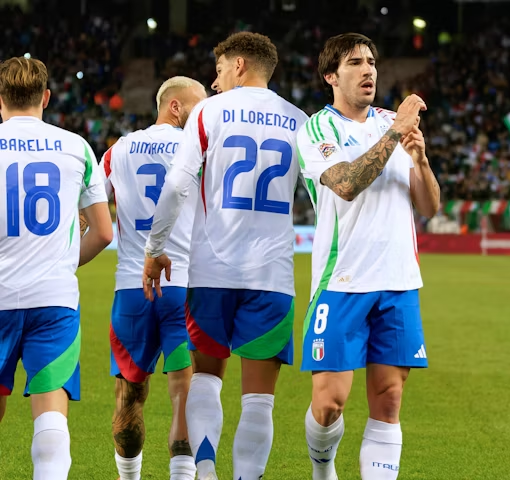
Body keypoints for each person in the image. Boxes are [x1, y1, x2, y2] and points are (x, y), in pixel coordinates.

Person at [142, 32, 309, 480]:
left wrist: (155, 250)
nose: (214, 82)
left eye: (217, 70)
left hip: (211, 272)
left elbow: (177, 185)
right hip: (272, 277)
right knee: (259, 400)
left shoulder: (207, 113)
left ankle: (207, 468)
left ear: (238, 65)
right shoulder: (299, 120)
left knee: (207, 378)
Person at [296, 33, 440, 480]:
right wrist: (396, 132)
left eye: (372, 61)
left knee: (390, 398)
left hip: (398, 281)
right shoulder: (319, 128)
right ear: (330, 76)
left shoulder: (391, 122)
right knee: (328, 403)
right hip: (343, 281)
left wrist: (420, 161)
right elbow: (345, 183)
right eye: (356, 62)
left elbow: (430, 206)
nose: (369, 70)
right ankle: (323, 469)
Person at [0, 56, 112, 479]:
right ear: (46, 97)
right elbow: (102, 232)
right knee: (51, 421)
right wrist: (63, 262)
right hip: (54, 300)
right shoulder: (76, 147)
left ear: (0, 100)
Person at [101, 76, 207, 480]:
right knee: (185, 393)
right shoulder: (197, 149)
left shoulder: (117, 151)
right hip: (182, 285)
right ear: (175, 106)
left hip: (131, 288)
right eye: (198, 107)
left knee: (129, 394)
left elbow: (87, 207)